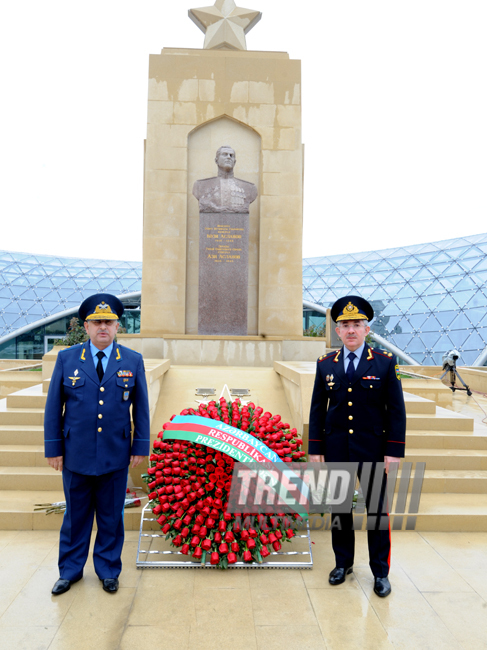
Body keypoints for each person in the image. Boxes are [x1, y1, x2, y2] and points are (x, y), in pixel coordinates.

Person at [44, 293, 150, 595]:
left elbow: (140, 408)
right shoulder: (67, 359)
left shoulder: (132, 360)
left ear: (118, 326)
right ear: (86, 327)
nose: (102, 327)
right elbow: (54, 407)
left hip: (115, 455)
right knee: (75, 517)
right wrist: (54, 448)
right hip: (75, 454)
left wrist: (140, 446)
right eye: (96, 322)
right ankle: (70, 571)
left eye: (108, 322)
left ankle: (107, 569)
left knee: (110, 517)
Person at [308, 295, 406, 598]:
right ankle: (343, 564)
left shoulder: (385, 363)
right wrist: (315, 448)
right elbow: (316, 409)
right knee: (340, 509)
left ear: (367, 329)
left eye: (357, 324)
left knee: (377, 512)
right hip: (337, 447)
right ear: (337, 331)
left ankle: (380, 572)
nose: (351, 330)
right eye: (345, 325)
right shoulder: (325, 365)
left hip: (374, 448)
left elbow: (396, 410)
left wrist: (394, 450)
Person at [192, 145, 258, 213]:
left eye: (231, 155)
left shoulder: (250, 188)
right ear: (216, 160)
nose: (229, 157)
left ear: (234, 162)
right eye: (225, 154)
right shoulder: (200, 186)